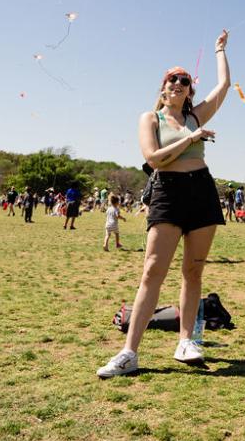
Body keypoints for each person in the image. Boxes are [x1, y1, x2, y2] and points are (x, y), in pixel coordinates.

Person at [97, 30, 230, 378]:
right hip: (168, 193)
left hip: (201, 190)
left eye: (184, 80)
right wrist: (191, 138)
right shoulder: (150, 118)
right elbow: (154, 159)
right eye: (172, 78)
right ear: (163, 87)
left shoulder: (196, 117)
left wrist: (219, 51)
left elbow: (225, 86)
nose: (178, 83)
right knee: (153, 271)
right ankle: (129, 353)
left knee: (193, 271)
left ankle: (186, 341)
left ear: (189, 90)